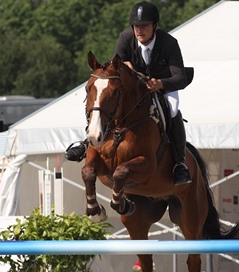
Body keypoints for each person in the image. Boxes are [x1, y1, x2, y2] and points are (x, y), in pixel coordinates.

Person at [65, 1, 191, 185]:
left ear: (154, 26)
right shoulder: (125, 38)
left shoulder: (169, 43)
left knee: (172, 109)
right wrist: (125, 66)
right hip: (135, 90)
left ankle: (180, 163)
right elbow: (115, 67)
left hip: (163, 87)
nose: (139, 30)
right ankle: (87, 143)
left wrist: (161, 83)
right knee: (108, 103)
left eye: (144, 26)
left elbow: (181, 78)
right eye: (136, 26)